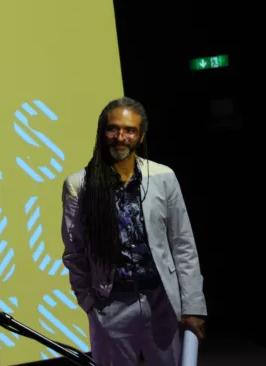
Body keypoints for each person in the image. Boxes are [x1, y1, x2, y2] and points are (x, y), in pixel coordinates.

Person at [60, 97, 207, 366]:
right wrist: (89, 303)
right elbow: (74, 251)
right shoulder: (79, 185)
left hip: (161, 302)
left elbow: (183, 244)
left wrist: (193, 307)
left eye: (129, 130)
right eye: (113, 129)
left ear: (140, 137)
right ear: (102, 132)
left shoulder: (163, 177)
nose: (120, 137)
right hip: (110, 305)